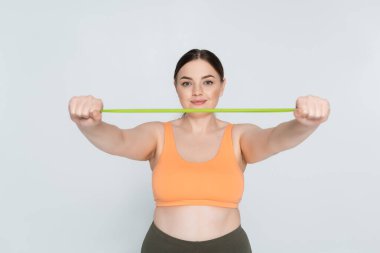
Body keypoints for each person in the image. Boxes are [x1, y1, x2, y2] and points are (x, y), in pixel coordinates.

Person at [68, 49, 330, 253]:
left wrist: (304, 123)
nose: (197, 92)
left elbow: (275, 138)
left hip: (228, 248)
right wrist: (90, 124)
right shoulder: (158, 133)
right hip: (163, 248)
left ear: (222, 86)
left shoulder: (238, 135)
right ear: (175, 86)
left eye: (207, 82)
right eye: (186, 83)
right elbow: (119, 140)